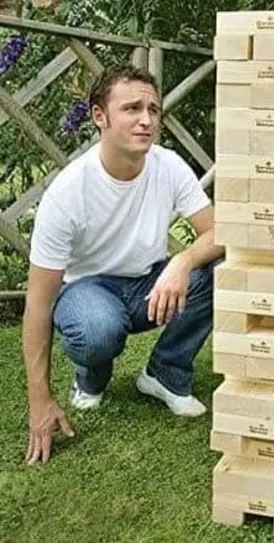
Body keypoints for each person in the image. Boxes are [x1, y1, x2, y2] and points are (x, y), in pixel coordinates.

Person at [22, 65, 223, 465]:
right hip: (87, 290)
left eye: (152, 109)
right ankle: (90, 378)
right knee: (98, 329)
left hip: (147, 283)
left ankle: (164, 374)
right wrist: (39, 398)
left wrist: (182, 261)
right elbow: (38, 304)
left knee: (221, 271)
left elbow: (219, 232)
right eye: (131, 108)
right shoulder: (68, 193)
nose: (146, 119)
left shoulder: (168, 166)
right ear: (100, 116)